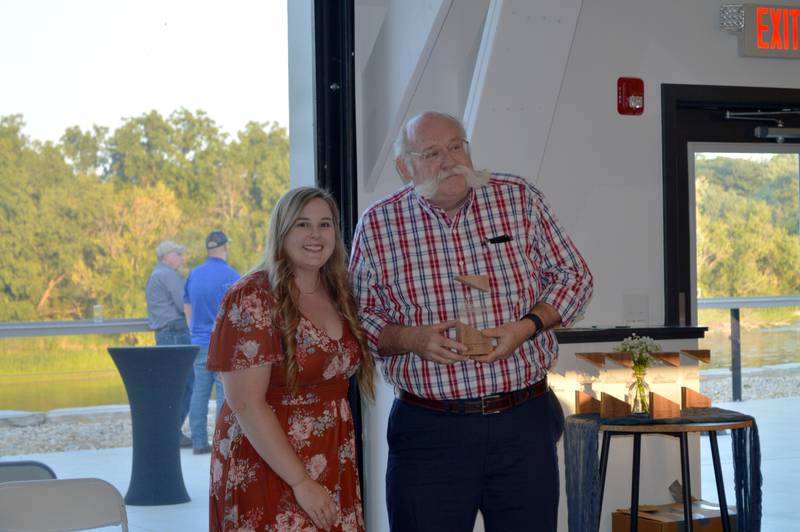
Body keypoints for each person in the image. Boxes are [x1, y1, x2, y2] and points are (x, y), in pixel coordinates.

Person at [349, 111, 593, 532]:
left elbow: (575, 278)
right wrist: (413, 339)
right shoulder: (378, 225)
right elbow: (359, 318)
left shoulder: (518, 199)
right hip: (428, 431)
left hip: (523, 422)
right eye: (431, 153)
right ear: (404, 167)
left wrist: (526, 327)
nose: (449, 160)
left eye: (456, 146)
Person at [207, 187, 375, 531]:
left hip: (332, 458)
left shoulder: (338, 291)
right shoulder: (253, 296)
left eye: (325, 224)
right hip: (270, 462)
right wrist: (301, 482)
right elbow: (245, 403)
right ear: (281, 231)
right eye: (302, 224)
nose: (315, 235)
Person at [183, 231, 240, 454]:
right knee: (224, 393)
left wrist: (194, 330)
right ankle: (222, 442)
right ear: (225, 247)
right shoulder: (233, 276)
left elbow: (187, 307)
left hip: (198, 342)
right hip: (223, 343)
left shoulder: (194, 275)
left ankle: (198, 442)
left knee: (199, 391)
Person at [145, 239, 193, 447]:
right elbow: (184, 305)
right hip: (175, 334)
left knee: (170, 384)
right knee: (185, 384)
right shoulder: (168, 275)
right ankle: (172, 431)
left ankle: (166, 431)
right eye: (178, 254)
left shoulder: (156, 275)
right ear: (166, 256)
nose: (181, 258)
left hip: (164, 335)